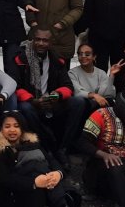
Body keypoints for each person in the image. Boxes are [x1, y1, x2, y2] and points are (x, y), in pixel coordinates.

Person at [9, 27, 85, 168]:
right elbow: (14, 86)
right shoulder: (20, 58)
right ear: (32, 40)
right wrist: (33, 100)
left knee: (78, 102)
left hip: (51, 102)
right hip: (31, 102)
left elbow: (68, 86)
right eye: (38, 40)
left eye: (45, 40)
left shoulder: (56, 59)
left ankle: (62, 148)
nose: (41, 43)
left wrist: (56, 95)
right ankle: (48, 148)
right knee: (26, 108)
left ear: (50, 43)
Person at [68, 42, 125, 119]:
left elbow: (109, 95)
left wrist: (111, 75)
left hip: (97, 105)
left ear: (94, 57)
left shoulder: (101, 73)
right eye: (80, 54)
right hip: (82, 106)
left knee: (110, 102)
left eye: (87, 54)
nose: (83, 56)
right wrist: (94, 95)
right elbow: (77, 92)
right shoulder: (72, 73)